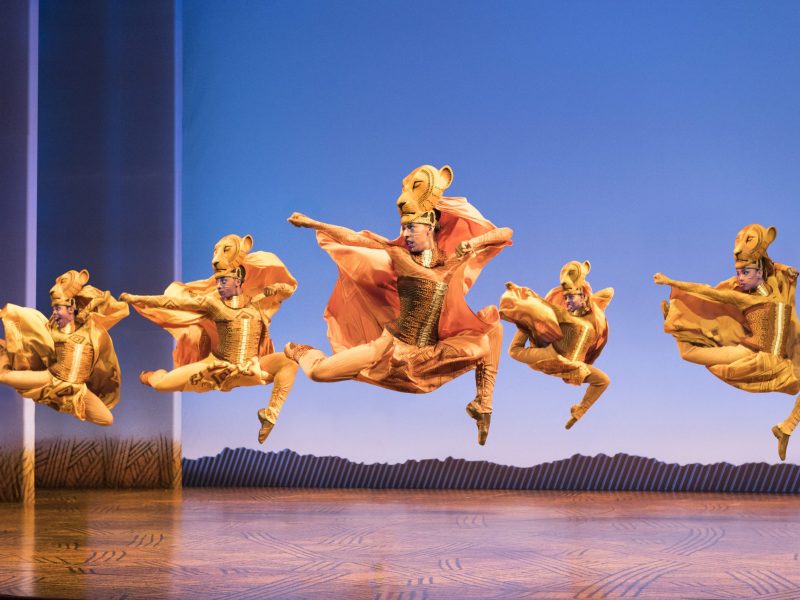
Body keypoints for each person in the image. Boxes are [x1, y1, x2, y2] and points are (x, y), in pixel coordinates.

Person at [285, 164, 512, 445]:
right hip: (388, 349)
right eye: (403, 228)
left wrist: (473, 243)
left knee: (490, 331)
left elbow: (504, 232)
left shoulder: (449, 262)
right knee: (318, 373)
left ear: (430, 225)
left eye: (411, 227)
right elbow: (357, 238)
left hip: (428, 354)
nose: (405, 234)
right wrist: (315, 224)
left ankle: (483, 405)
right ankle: (298, 350)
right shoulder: (398, 255)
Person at [121, 234, 298, 444]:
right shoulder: (212, 304)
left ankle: (270, 415)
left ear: (239, 280)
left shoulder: (258, 303)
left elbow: (288, 289)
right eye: (218, 281)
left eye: (224, 281)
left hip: (251, 366)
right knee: (163, 384)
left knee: (289, 362)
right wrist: (137, 298)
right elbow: (172, 303)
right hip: (216, 368)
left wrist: (276, 288)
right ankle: (149, 376)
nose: (219, 285)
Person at [655, 223, 800, 460]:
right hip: (750, 352)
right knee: (688, 354)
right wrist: (672, 282)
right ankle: (677, 323)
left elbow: (768, 261)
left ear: (760, 273)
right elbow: (708, 292)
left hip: (779, 356)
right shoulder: (743, 299)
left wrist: (784, 267)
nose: (739, 278)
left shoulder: (776, 285)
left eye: (745, 273)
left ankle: (786, 428)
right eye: (738, 273)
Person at [0, 269, 128, 425]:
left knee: (107, 419)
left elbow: (111, 307)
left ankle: (62, 401)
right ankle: (4, 354)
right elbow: (32, 339)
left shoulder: (91, 331)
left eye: (57, 309)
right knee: (4, 376)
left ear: (71, 309)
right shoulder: (53, 333)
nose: (54, 313)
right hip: (50, 379)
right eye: (53, 309)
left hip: (78, 390)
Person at [500, 260, 613, 429]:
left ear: (583, 297)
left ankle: (578, 412)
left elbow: (609, 292)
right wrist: (517, 291)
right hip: (552, 355)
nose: (566, 301)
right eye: (565, 297)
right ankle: (526, 325)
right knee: (514, 350)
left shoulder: (592, 317)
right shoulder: (562, 314)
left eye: (571, 297)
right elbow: (539, 303)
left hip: (574, 367)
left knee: (603, 380)